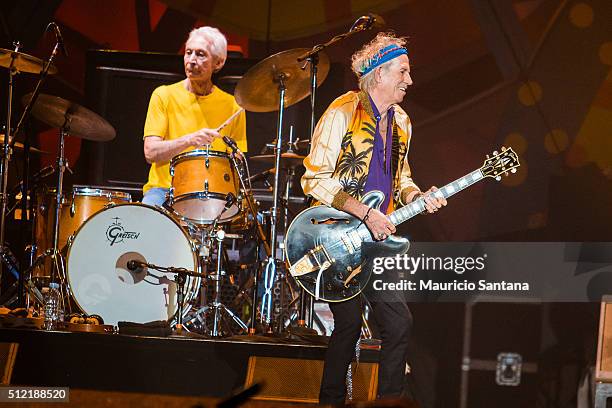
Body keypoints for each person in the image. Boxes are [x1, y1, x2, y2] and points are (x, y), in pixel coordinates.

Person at [301, 32, 447, 405]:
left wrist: (418, 196)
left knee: (399, 323)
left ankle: (389, 401)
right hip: (337, 237)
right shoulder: (342, 112)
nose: (409, 81)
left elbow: (402, 179)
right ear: (379, 74)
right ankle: (330, 401)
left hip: (377, 240)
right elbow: (314, 178)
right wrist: (364, 212)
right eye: (403, 71)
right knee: (348, 326)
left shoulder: (403, 122)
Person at [142, 26, 246, 206]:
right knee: (148, 212)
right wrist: (190, 140)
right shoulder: (163, 95)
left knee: (252, 220)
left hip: (213, 193)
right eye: (188, 52)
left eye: (200, 54)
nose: (191, 60)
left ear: (219, 63)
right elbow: (150, 152)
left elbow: (237, 163)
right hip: (164, 189)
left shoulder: (233, 105)